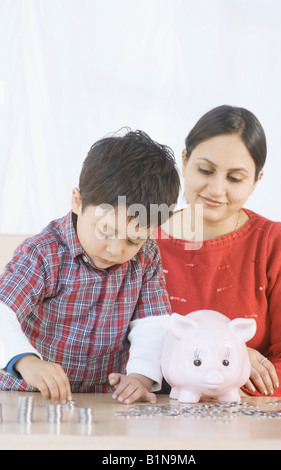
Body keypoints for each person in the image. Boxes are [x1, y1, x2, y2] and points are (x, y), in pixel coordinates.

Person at [0, 129, 180, 404]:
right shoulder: (43, 253)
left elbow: (153, 323)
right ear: (78, 201)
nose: (116, 249)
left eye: (133, 239)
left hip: (100, 401)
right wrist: (27, 363)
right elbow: (3, 312)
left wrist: (140, 377)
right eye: (106, 231)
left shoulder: (146, 257)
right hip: (26, 395)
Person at [155, 105, 281, 397]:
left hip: (248, 426)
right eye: (205, 170)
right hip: (158, 423)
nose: (216, 189)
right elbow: (114, 350)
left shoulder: (274, 244)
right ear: (184, 161)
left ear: (256, 180)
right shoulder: (143, 241)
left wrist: (229, 378)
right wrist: (226, 353)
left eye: (235, 178)